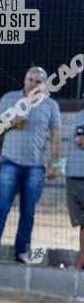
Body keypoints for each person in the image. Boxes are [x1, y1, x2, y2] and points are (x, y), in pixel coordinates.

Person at [0, 67, 61, 263]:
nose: (33, 84)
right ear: (24, 80)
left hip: (36, 167)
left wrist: (56, 164)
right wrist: (10, 121)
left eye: (38, 81)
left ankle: (22, 252)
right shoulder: (10, 98)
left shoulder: (51, 105)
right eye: (30, 79)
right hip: (9, 162)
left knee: (28, 212)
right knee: (1, 208)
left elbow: (57, 137)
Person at [65, 111, 84, 270]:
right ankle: (81, 261)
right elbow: (78, 141)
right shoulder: (78, 116)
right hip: (75, 175)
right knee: (82, 223)